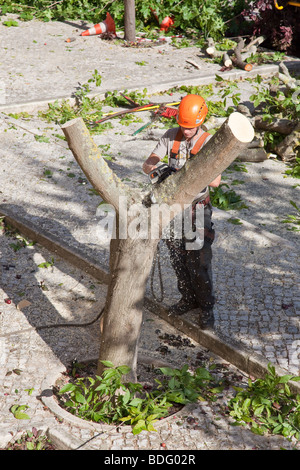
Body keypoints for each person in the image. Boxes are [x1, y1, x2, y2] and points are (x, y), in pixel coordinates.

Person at [142, 94, 221, 329]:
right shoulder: (170, 136)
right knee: (178, 258)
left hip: (197, 209)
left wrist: (192, 172)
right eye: (183, 126)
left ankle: (206, 307)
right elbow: (148, 164)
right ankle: (187, 298)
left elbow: (216, 181)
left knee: (198, 261)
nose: (185, 131)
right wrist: (157, 168)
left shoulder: (209, 142)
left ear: (200, 121)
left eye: (190, 127)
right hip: (173, 208)